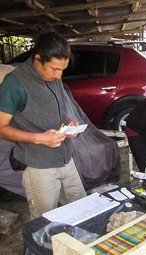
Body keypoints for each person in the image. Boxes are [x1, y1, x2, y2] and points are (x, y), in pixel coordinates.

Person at [0, 32, 86, 219]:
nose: (59, 75)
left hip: (64, 157)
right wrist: (40, 138)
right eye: (54, 69)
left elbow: (54, 107)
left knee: (81, 207)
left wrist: (68, 120)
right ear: (37, 60)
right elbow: (1, 128)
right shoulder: (14, 83)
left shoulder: (54, 76)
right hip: (38, 165)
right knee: (44, 220)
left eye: (62, 70)